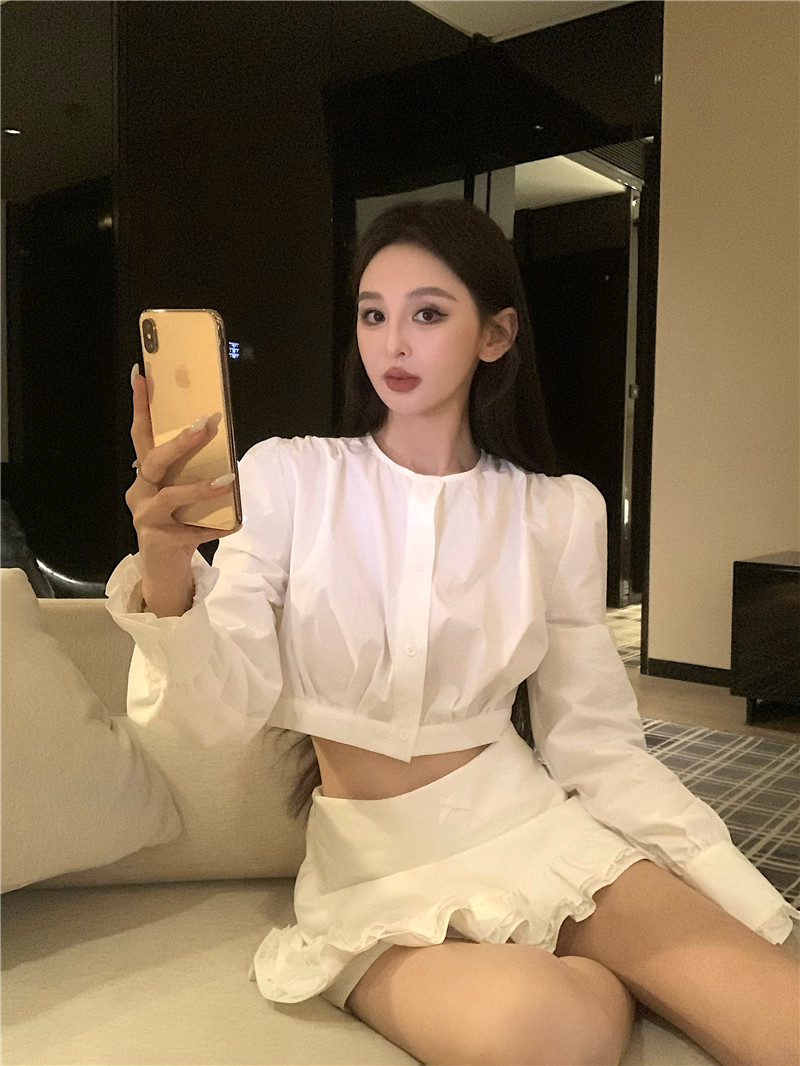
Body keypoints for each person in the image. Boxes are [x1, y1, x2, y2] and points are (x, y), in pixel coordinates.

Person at [106, 198, 799, 1066]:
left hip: (535, 829)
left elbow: (596, 746)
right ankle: (600, 975)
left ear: (495, 335)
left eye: (427, 314)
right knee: (546, 1031)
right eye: (374, 314)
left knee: (781, 1012)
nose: (393, 343)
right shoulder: (291, 478)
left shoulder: (556, 512)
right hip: (374, 871)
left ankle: (615, 954)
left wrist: (731, 887)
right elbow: (215, 710)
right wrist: (167, 564)